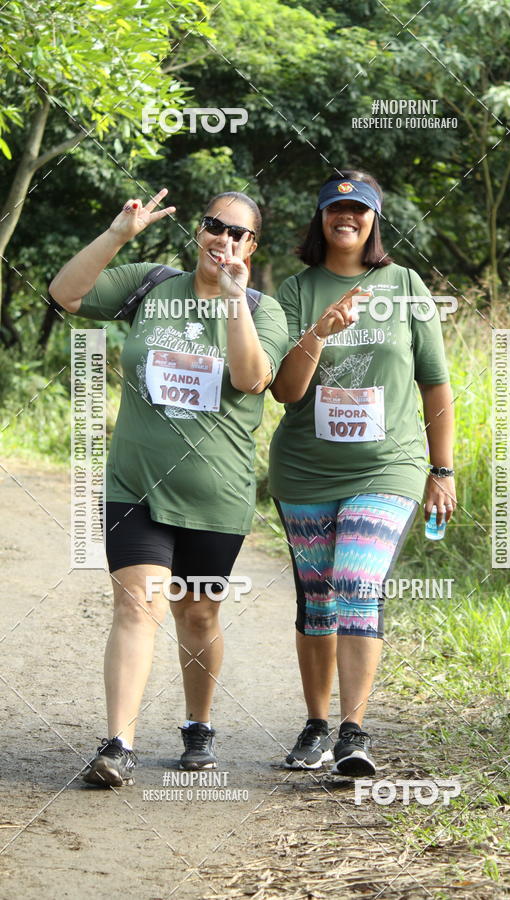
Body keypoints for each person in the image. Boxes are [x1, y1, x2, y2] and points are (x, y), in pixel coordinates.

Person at [50, 188, 288, 787]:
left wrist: (233, 299)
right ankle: (117, 744)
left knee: (199, 615)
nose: (223, 240)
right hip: (135, 486)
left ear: (252, 246)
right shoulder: (149, 285)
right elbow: (66, 294)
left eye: (238, 234)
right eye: (215, 226)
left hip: (217, 497)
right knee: (138, 604)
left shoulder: (265, 310)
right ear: (199, 230)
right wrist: (117, 236)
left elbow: (251, 376)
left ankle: (197, 726)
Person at [268, 170, 456, 777]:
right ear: (320, 218)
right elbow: (287, 393)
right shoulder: (295, 292)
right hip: (305, 470)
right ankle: (316, 725)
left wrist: (442, 469)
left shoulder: (404, 284)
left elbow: (436, 383)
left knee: (356, 582)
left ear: (375, 219)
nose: (345, 217)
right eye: (334, 208)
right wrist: (319, 332)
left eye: (359, 209)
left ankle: (354, 732)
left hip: (388, 466)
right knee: (316, 601)